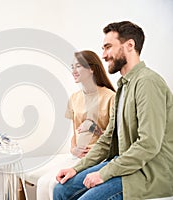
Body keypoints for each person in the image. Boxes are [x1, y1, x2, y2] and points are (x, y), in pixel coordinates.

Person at [53, 21, 173, 200]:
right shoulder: (123, 87)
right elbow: (107, 139)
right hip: (125, 165)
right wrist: (76, 168)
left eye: (108, 47)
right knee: (60, 190)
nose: (103, 55)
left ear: (130, 45)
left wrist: (104, 173)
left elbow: (148, 144)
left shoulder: (148, 83)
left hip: (147, 173)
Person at [36, 50, 116, 199]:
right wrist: (73, 149)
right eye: (72, 66)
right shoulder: (74, 98)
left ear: (91, 68)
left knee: (56, 186)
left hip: (98, 157)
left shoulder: (110, 97)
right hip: (77, 156)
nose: (73, 71)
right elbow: (75, 132)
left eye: (78, 66)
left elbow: (115, 138)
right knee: (43, 183)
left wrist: (94, 129)